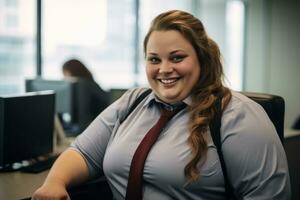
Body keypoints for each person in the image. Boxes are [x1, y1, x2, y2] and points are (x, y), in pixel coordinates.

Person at [32, 10, 290, 200]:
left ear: (202, 58)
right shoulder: (133, 102)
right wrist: (55, 182)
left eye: (177, 57)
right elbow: (84, 153)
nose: (164, 69)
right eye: (154, 59)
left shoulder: (239, 116)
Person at [61, 58, 109, 133]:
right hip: (100, 126)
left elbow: (84, 118)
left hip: (96, 129)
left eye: (65, 74)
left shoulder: (83, 85)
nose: (64, 78)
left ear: (72, 72)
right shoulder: (89, 83)